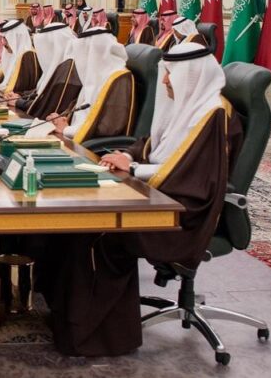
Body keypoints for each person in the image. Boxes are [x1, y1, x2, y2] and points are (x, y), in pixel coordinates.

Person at [31, 45, 236, 358]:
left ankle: (94, 338)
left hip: (183, 215)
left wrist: (136, 169)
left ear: (192, 76)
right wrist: (126, 155)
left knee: (96, 232)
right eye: (166, 72)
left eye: (171, 74)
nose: (166, 81)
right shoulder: (187, 104)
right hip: (158, 195)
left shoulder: (213, 115)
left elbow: (192, 179)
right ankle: (60, 313)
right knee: (73, 222)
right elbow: (151, 145)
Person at [50, 28, 134, 143]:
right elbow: (81, 109)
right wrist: (61, 119)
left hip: (92, 148)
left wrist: (67, 130)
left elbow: (109, 127)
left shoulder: (119, 78)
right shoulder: (96, 74)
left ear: (92, 51)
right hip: (75, 137)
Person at [19, 22, 82, 119]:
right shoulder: (58, 66)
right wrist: (20, 96)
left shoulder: (68, 71)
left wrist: (19, 102)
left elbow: (48, 107)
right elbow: (41, 93)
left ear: (52, 45)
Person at [0, 19, 41, 99]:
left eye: (6, 39)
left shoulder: (28, 56)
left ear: (16, 38)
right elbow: (4, 83)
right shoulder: (12, 55)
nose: (3, 43)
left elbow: (17, 89)